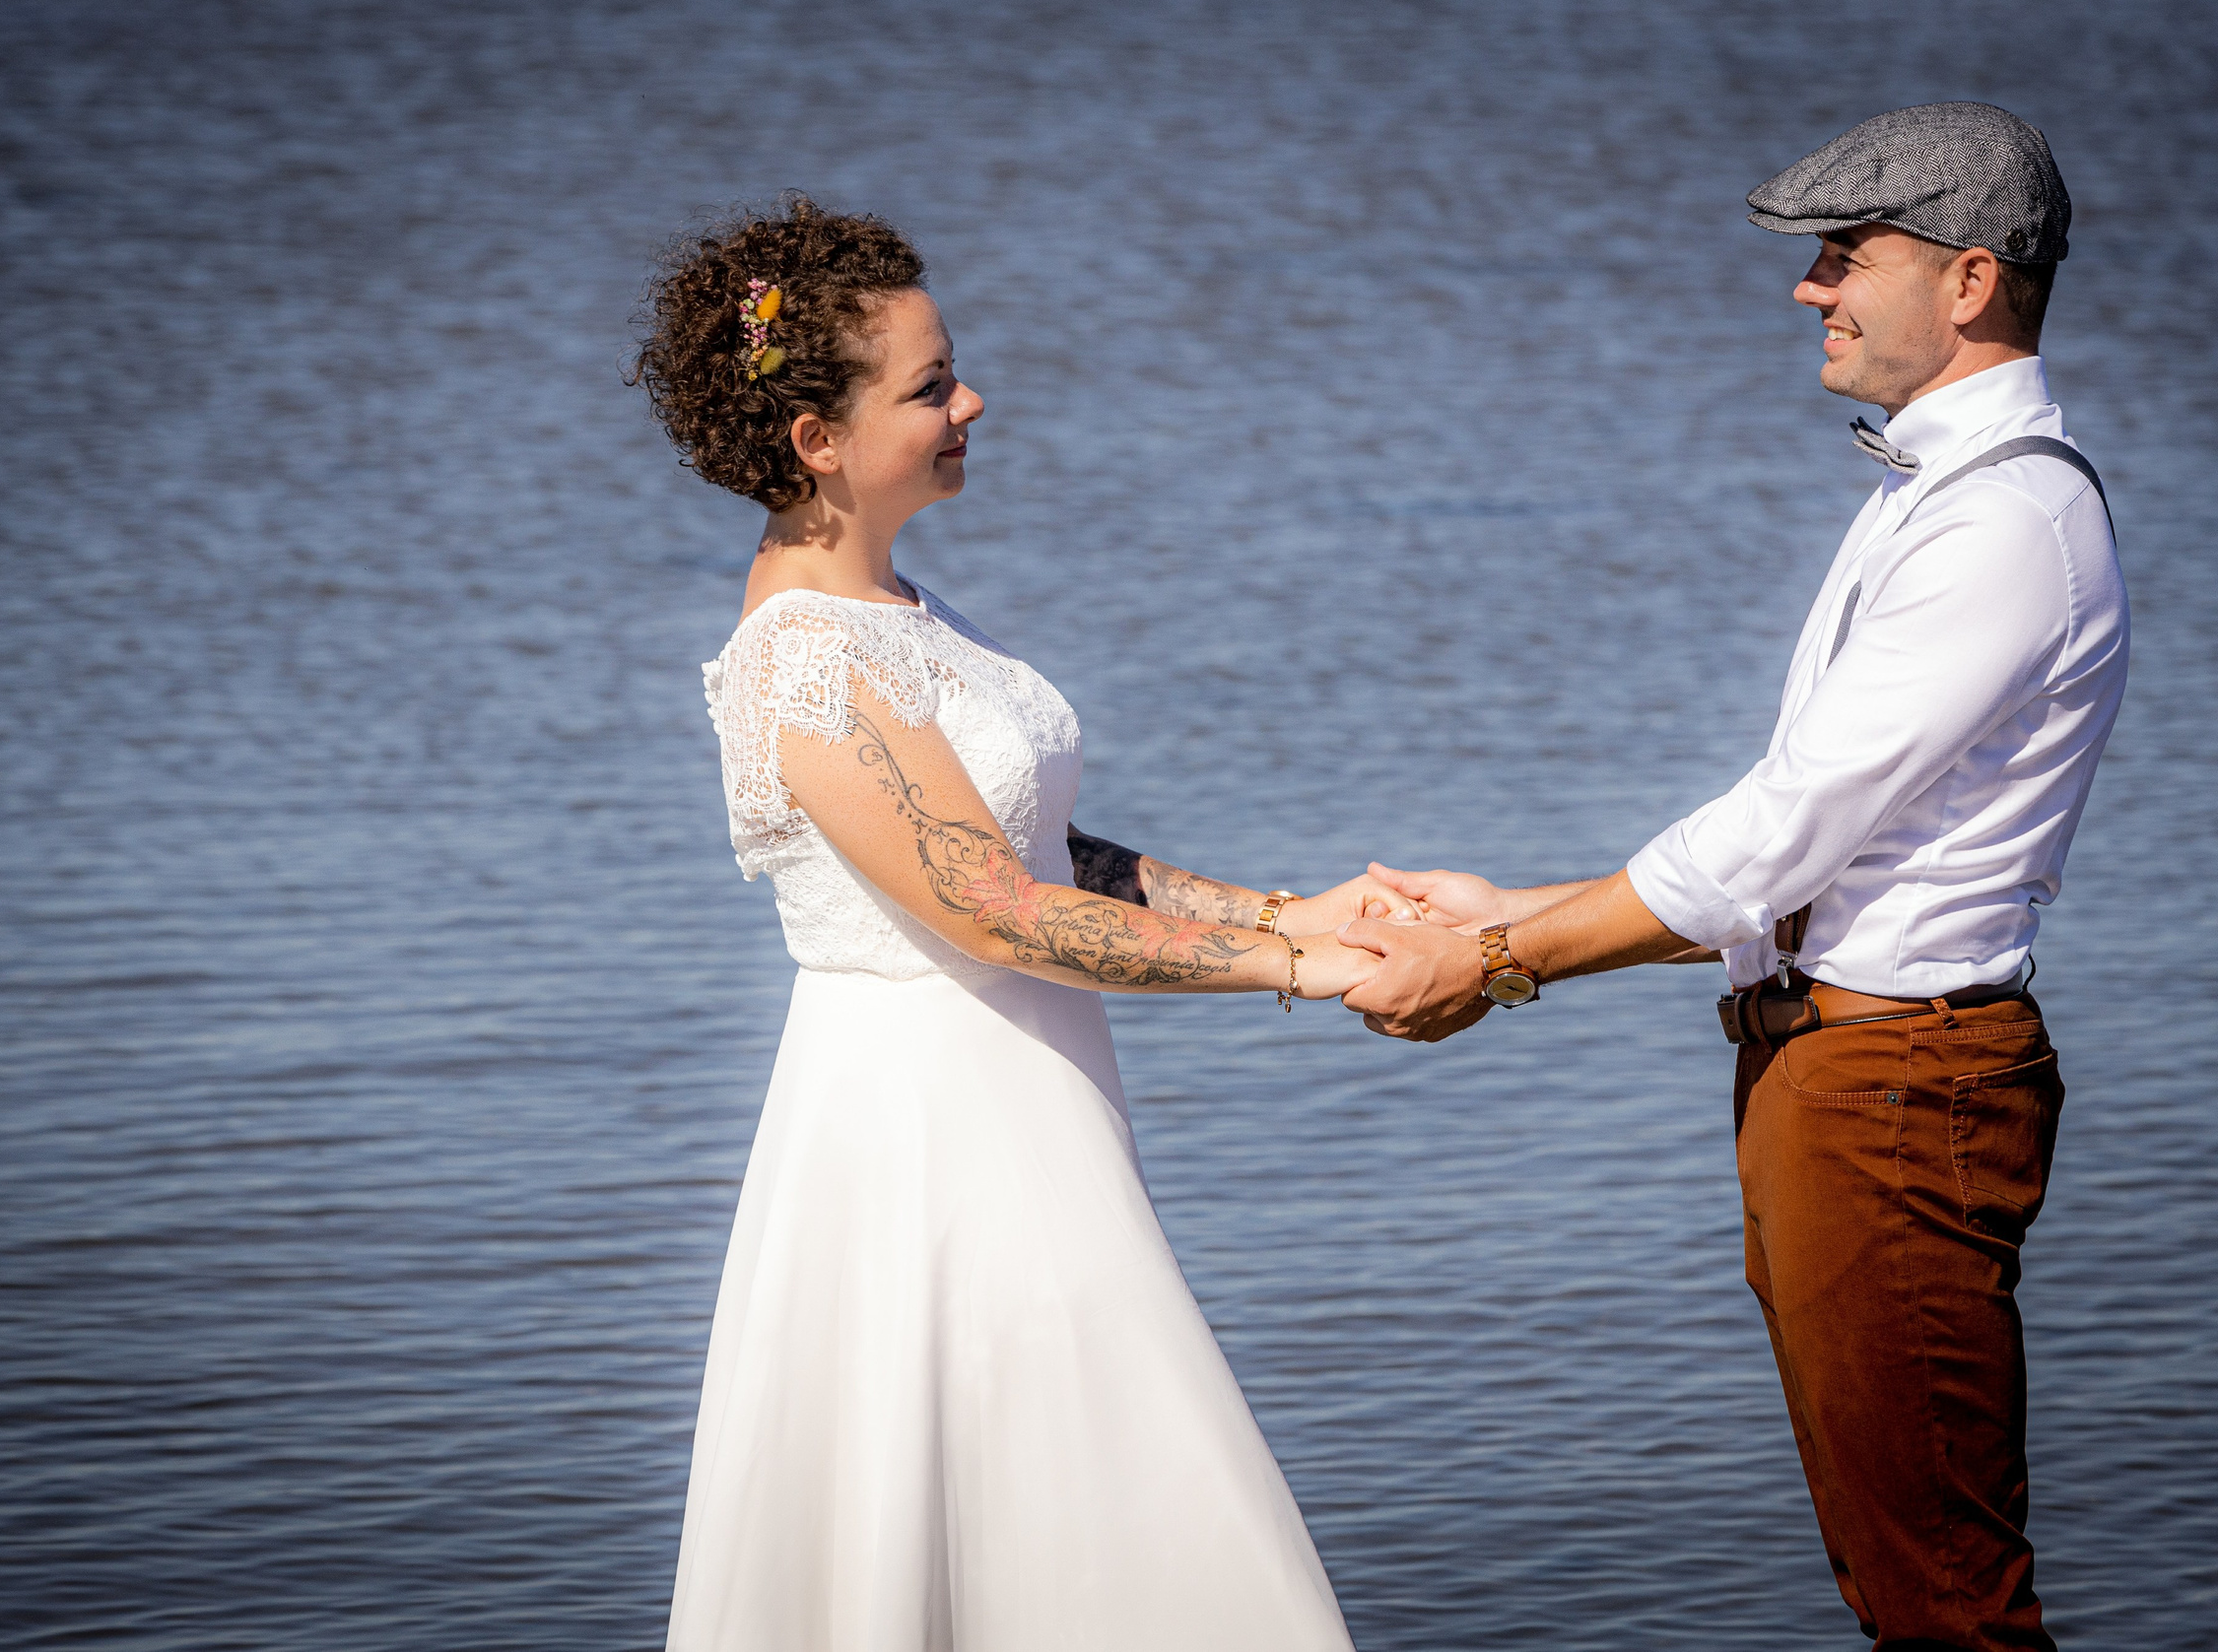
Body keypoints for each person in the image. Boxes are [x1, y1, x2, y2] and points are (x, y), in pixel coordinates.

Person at [1341, 103, 2125, 1649]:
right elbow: (1801, 865)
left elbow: (1778, 836)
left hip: (1895, 1089)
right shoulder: (1936, 496)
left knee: (1945, 1603)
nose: (1809, 286)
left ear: (1970, 281)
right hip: (1840, 1075)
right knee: (1902, 1584)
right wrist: (1515, 910)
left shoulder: (2001, 522)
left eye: (1846, 255)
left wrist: (1499, 963)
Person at [635, 196, 1401, 1650]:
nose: (972, 402)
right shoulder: (803, 657)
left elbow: (1037, 848)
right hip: (934, 1136)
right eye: (931, 388)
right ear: (817, 439)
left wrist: (1291, 905)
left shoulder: (897, 607)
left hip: (1027, 1096)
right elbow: (993, 909)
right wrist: (1296, 967)